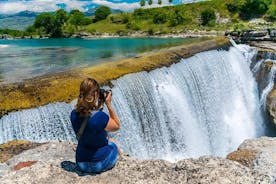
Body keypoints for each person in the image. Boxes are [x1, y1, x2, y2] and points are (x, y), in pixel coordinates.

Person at [70, 78, 120, 174]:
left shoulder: (73, 114)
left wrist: (97, 105)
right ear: (96, 94)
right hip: (99, 164)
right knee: (113, 144)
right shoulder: (100, 117)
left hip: (81, 163)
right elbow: (116, 126)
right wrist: (108, 104)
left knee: (107, 140)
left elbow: (88, 119)